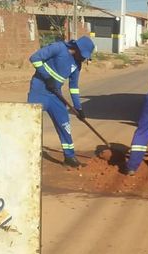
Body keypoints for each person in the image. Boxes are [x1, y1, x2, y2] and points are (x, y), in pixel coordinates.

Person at [27, 36, 95, 168]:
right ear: (77, 49)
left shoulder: (77, 65)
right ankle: (27, 153)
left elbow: (73, 87)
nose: (83, 58)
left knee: (64, 124)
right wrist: (47, 77)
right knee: (30, 124)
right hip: (39, 91)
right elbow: (34, 58)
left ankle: (69, 156)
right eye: (83, 55)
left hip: (55, 94)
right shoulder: (58, 48)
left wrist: (78, 108)